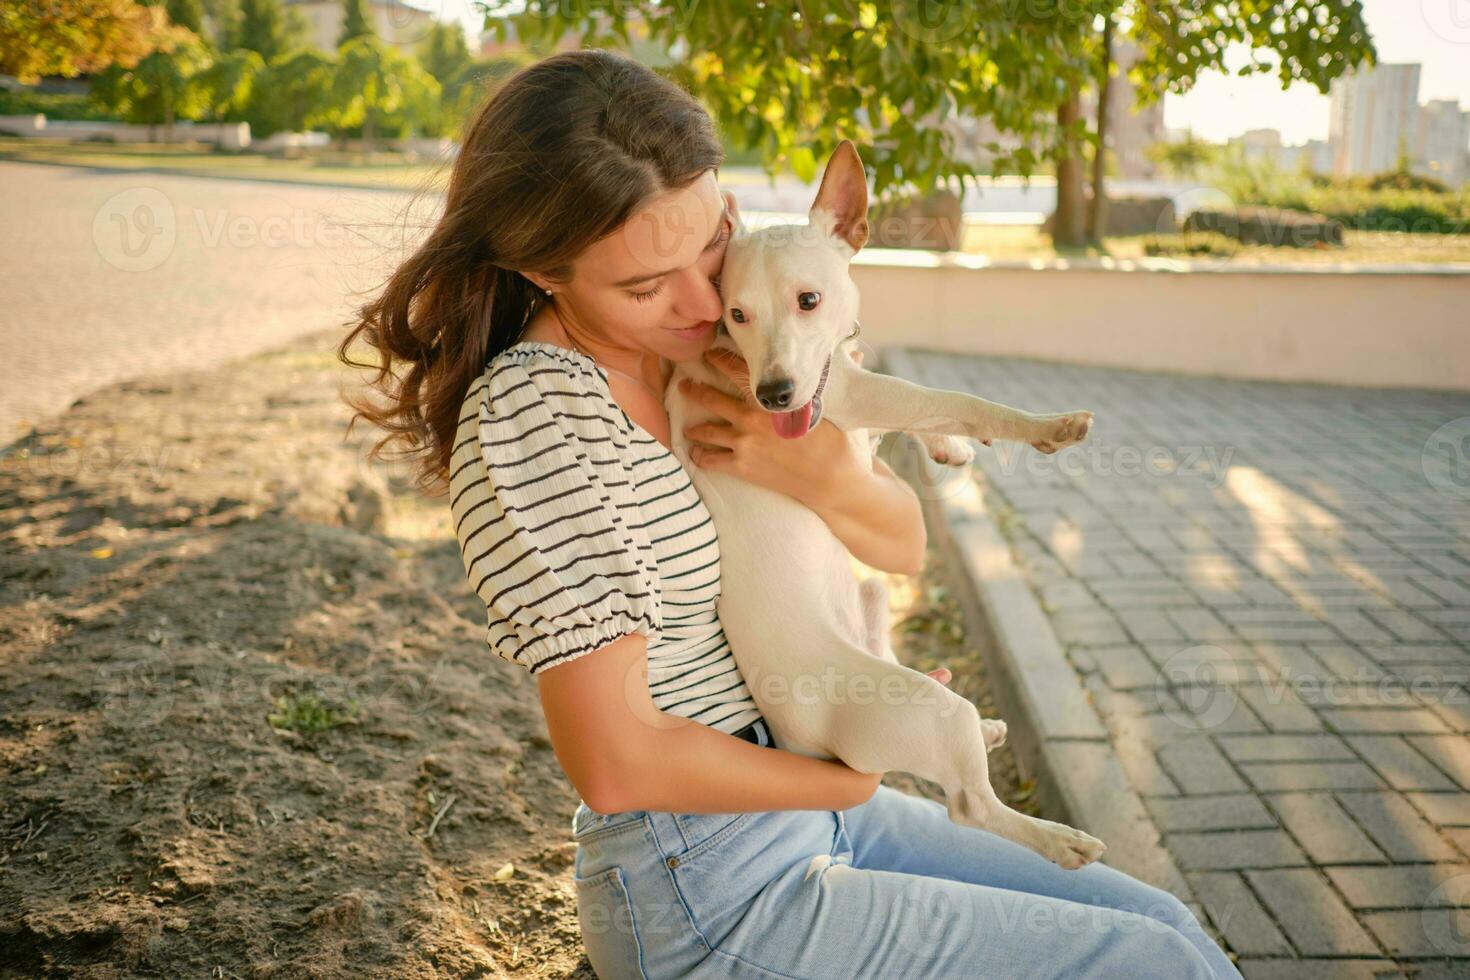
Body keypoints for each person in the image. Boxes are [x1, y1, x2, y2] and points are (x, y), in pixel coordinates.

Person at [340, 48, 1242, 980]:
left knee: (1170, 928)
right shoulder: (541, 416)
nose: (702, 303)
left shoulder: (737, 338)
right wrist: (843, 776)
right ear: (538, 270)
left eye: (710, 240)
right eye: (647, 285)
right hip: (709, 880)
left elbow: (900, 545)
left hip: (816, 805)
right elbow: (613, 764)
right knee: (1148, 965)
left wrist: (817, 475)